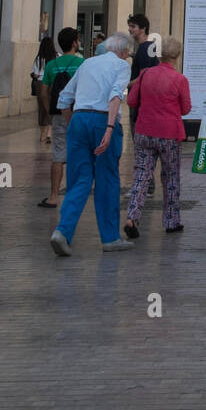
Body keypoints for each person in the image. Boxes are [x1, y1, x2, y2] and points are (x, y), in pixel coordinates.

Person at [49, 33, 136, 256]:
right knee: (107, 180)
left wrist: (73, 125)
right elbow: (116, 96)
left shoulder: (87, 63)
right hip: (102, 119)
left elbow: (64, 99)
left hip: (79, 119)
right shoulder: (122, 66)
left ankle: (62, 231)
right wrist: (108, 128)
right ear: (124, 52)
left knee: (78, 181)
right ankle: (110, 238)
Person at [123, 37, 192, 238]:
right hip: (170, 133)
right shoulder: (180, 79)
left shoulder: (145, 75)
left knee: (142, 176)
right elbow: (186, 109)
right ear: (177, 56)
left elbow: (132, 100)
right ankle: (171, 220)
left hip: (144, 131)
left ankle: (132, 216)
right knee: (170, 177)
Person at [38, 28, 85, 209]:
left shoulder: (51, 65)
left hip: (58, 115)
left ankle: (53, 197)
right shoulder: (82, 64)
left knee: (58, 155)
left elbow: (43, 93)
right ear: (74, 43)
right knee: (78, 154)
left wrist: (49, 112)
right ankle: (74, 197)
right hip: (78, 114)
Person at [127, 13, 160, 193]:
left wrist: (126, 84)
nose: (131, 30)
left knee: (141, 144)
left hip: (141, 103)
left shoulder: (146, 47)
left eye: (133, 26)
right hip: (144, 102)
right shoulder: (147, 47)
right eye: (130, 26)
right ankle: (148, 183)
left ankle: (146, 184)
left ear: (143, 28)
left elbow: (145, 74)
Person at [32, 37, 57, 143]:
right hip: (52, 83)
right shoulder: (57, 56)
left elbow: (35, 74)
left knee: (42, 108)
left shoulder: (38, 58)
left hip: (40, 83)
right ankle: (50, 133)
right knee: (51, 106)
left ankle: (42, 134)